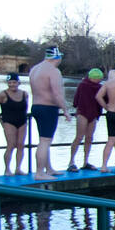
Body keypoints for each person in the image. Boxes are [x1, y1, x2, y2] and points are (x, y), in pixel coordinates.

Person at [29, 46, 71, 180]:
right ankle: (39, 173)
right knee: (44, 141)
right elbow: (57, 94)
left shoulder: (34, 69)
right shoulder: (53, 71)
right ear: (57, 57)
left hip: (36, 106)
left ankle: (49, 168)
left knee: (44, 140)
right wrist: (65, 110)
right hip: (48, 108)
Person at [0, 72, 29, 175]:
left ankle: (18, 168)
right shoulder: (3, 94)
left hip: (22, 121)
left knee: (21, 145)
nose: (12, 84)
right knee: (11, 145)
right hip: (8, 122)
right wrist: (0, 118)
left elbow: (25, 107)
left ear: (18, 82)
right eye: (10, 82)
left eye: (14, 82)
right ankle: (7, 169)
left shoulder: (25, 94)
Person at [67, 68, 105, 172]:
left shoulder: (100, 87)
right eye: (98, 79)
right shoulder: (83, 85)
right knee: (79, 137)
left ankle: (86, 161)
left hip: (93, 114)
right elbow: (76, 101)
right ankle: (71, 162)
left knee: (89, 138)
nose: (100, 81)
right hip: (82, 113)